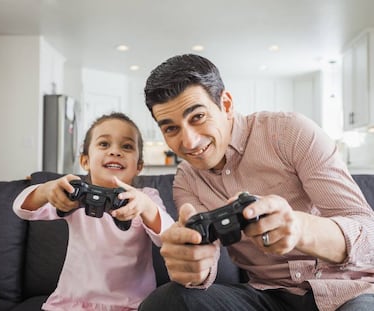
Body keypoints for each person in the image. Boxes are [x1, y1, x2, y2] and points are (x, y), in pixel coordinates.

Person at [138, 54, 374, 311]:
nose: (189, 143)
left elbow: (368, 234)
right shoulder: (186, 179)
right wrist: (192, 265)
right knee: (165, 301)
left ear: (226, 104)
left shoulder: (289, 132)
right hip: (268, 297)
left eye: (198, 117)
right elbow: (204, 262)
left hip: (347, 291)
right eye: (171, 129)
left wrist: (300, 229)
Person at [13, 112, 174, 311]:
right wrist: (46, 191)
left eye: (127, 146)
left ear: (138, 166)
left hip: (131, 305)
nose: (115, 151)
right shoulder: (74, 193)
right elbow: (22, 209)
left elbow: (169, 238)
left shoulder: (146, 197)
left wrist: (147, 207)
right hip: (71, 302)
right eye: (104, 144)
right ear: (85, 161)